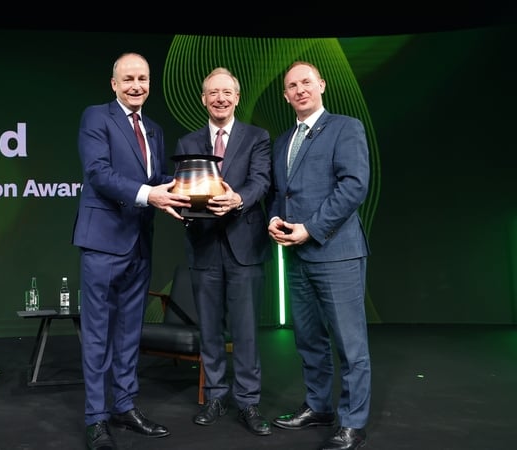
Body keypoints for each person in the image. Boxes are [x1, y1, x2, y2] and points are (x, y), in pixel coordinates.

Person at [72, 52, 191, 450]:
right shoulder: (96, 117)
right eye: (128, 79)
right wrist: (150, 195)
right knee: (98, 334)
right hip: (103, 242)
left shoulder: (153, 129)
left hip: (139, 242)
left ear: (149, 83)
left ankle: (124, 406)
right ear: (114, 84)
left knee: (128, 332)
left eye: (142, 78)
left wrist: (194, 185)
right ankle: (96, 418)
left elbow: (155, 179)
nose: (136, 85)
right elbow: (98, 173)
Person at [267, 60, 372, 450]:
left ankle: (353, 423)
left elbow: (354, 185)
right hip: (297, 256)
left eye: (306, 82)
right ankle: (318, 406)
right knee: (309, 339)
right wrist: (274, 218)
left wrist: (309, 228)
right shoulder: (283, 141)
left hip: (336, 253)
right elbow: (280, 193)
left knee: (350, 344)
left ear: (322, 85)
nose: (300, 89)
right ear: (285, 95)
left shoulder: (346, 127)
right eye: (292, 86)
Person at [173, 67, 273, 436]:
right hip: (203, 246)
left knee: (245, 331)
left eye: (227, 92)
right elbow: (181, 188)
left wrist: (238, 199)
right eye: (213, 93)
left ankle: (248, 402)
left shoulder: (257, 137)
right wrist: (180, 203)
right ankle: (215, 396)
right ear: (204, 99)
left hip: (244, 245)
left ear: (237, 97)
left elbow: (261, 180)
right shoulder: (187, 143)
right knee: (210, 329)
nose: (220, 98)